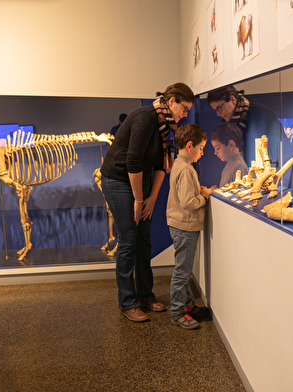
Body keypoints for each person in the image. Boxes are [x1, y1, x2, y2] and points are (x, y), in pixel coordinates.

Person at [100, 83, 195, 323]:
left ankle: (145, 295)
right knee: (128, 240)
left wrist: (151, 199)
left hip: (142, 180)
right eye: (184, 109)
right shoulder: (145, 118)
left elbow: (161, 165)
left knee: (144, 239)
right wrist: (138, 199)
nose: (185, 115)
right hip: (118, 179)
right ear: (171, 100)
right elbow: (133, 161)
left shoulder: (166, 127)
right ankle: (127, 302)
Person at [166, 124, 215, 329]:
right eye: (201, 148)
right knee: (182, 271)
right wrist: (203, 196)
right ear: (189, 145)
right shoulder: (186, 169)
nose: (202, 152)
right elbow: (188, 202)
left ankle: (187, 305)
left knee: (185, 270)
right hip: (184, 226)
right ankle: (177, 311)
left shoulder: (181, 165)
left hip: (183, 225)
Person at [211, 122, 248, 187]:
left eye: (218, 148)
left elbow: (237, 195)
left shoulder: (239, 167)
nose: (215, 152)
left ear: (231, 144)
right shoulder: (230, 163)